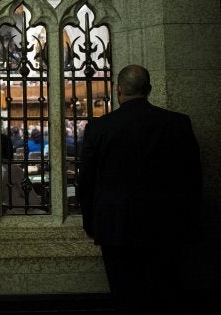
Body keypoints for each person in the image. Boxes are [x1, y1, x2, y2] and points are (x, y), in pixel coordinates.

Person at [78, 65, 202, 315]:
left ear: (118, 89)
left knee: (125, 296)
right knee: (166, 294)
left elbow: (87, 181)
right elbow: (193, 178)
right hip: (167, 223)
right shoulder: (177, 123)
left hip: (115, 225)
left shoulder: (99, 128)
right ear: (149, 90)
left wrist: (90, 223)